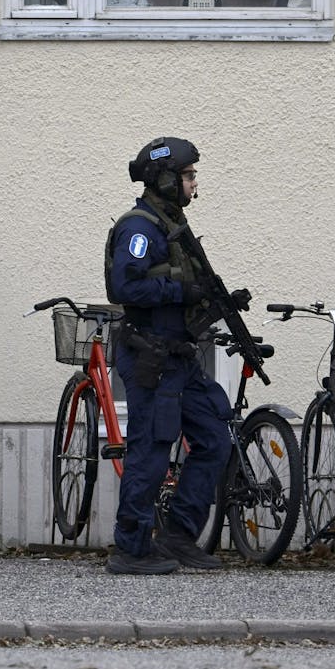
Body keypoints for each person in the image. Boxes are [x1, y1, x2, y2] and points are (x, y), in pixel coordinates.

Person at [104, 137, 233, 574]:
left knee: (215, 436)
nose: (194, 183)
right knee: (152, 451)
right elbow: (124, 287)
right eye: (188, 175)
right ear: (164, 179)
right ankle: (132, 547)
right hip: (152, 358)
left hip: (180, 357)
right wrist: (182, 290)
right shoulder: (140, 228)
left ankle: (178, 535)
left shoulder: (170, 224)